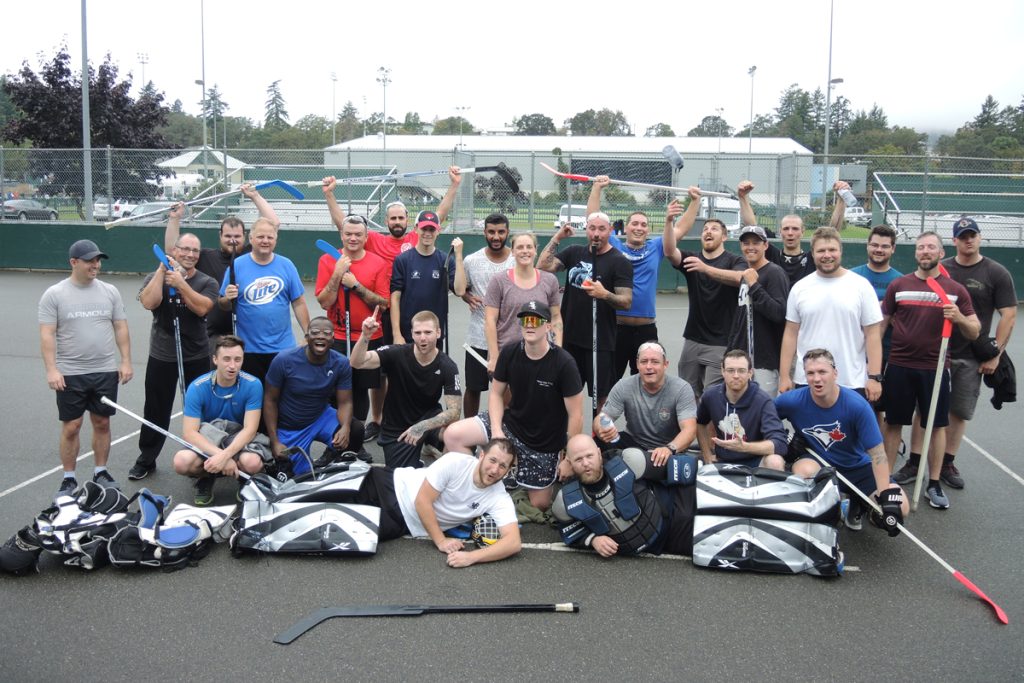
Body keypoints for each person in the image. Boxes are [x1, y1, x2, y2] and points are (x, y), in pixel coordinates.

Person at [323, 169, 463, 441]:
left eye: (401, 217)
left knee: (422, 366)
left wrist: (454, 186)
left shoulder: (416, 239)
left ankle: (418, 419)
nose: (397, 221)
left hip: (418, 317)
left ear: (409, 222)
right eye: (392, 218)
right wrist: (330, 195)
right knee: (383, 369)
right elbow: (345, 227)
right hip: (386, 312)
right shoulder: (375, 240)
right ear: (385, 221)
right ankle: (377, 419)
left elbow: (440, 215)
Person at [444, 301, 584, 511]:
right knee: (453, 435)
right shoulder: (509, 353)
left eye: (536, 320)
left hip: (543, 443)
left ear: (548, 327)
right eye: (525, 320)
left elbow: (576, 416)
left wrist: (569, 458)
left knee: (541, 505)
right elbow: (496, 395)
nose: (529, 325)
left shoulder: (564, 364)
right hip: (511, 425)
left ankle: (511, 471)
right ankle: (482, 479)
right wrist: (498, 430)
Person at [881, 233, 980, 509]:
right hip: (899, 365)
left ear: (940, 252)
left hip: (935, 369)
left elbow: (974, 331)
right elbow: (881, 324)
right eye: (921, 247)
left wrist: (958, 317)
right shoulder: (898, 285)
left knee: (935, 425)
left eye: (931, 247)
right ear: (915, 253)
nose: (925, 252)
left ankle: (934, 484)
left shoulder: (955, 290)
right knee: (893, 422)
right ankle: (887, 480)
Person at [775, 348, 908, 533]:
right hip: (819, 463)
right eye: (810, 373)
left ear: (835, 373)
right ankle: (827, 512)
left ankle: (859, 505)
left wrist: (885, 496)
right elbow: (765, 419)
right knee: (802, 471)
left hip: (857, 467)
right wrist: (783, 440)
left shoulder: (857, 405)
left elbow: (878, 455)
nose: (816, 378)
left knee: (900, 506)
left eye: (822, 372)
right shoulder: (791, 401)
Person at [39, 239, 133, 496]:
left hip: (104, 370)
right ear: (74, 262)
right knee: (72, 426)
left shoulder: (110, 291)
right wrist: (52, 369)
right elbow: (47, 334)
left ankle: (100, 472)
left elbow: (121, 327)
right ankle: (69, 478)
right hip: (70, 372)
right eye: (90, 261)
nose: (96, 265)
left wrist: (125, 361)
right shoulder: (55, 294)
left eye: (98, 260)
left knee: (102, 422)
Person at [334, 438, 521, 568]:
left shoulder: (498, 497)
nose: (495, 469)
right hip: (390, 483)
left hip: (400, 520)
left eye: (503, 466)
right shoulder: (456, 462)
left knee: (335, 529)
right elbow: (422, 500)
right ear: (481, 456)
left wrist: (471, 557)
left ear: (507, 471)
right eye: (492, 460)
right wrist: (440, 540)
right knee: (325, 489)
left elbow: (513, 543)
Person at [932, 216, 1017, 489]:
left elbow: (1009, 315)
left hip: (971, 356)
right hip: (938, 353)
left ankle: (947, 462)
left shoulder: (996, 272)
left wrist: (995, 355)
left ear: (979, 237)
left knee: (958, 413)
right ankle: (918, 459)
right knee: (928, 411)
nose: (968, 240)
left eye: (972, 235)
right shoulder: (941, 270)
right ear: (954, 241)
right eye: (963, 236)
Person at [130, 226, 218, 480]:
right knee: (156, 408)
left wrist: (181, 285)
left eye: (195, 251)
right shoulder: (155, 275)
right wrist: (162, 271)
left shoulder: (206, 281)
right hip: (162, 353)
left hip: (196, 353)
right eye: (185, 249)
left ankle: (201, 456)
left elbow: (202, 309)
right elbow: (149, 302)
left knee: (201, 407)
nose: (190, 254)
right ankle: (147, 458)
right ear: (174, 251)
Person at [538, 211, 634, 414]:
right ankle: (564, 441)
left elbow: (626, 302)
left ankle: (598, 439)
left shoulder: (619, 261)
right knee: (565, 391)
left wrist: (604, 294)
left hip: (600, 342)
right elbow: (543, 266)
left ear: (610, 231)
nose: (596, 234)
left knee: (601, 396)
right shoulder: (574, 252)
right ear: (586, 230)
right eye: (592, 228)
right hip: (570, 339)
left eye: (601, 229)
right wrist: (558, 237)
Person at [164, 184, 275, 352]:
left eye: (237, 236)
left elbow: (273, 224)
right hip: (213, 333)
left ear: (245, 237)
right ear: (220, 236)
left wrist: (254, 196)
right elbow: (172, 250)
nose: (232, 240)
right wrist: (174, 218)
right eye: (228, 236)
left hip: (248, 332)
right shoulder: (206, 256)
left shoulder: (252, 254)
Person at [778, 227, 883, 400]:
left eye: (832, 249)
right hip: (808, 381)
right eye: (821, 250)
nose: (827, 255)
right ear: (812, 253)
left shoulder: (861, 286)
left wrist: (874, 377)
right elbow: (790, 333)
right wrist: (784, 376)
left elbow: (872, 334)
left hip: (852, 381)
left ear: (840, 251)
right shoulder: (799, 288)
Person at [550, 434, 696, 557]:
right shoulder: (566, 500)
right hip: (670, 542)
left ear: (599, 454)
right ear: (569, 463)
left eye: (589, 456)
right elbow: (570, 531)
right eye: (578, 459)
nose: (586, 463)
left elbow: (685, 470)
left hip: (674, 519)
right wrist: (593, 540)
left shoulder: (629, 462)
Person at [351, 309, 462, 468]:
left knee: (458, 436)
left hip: (428, 420)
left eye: (428, 332)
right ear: (411, 333)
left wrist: (421, 427)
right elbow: (357, 362)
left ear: (438, 333)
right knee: (401, 478)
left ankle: (440, 461)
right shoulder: (396, 353)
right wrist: (365, 336)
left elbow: (454, 412)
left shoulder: (448, 366)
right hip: (397, 427)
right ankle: (416, 459)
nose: (422, 338)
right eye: (418, 332)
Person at [662, 189, 743, 398]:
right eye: (705, 229)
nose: (708, 232)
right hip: (693, 340)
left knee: (712, 398)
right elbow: (670, 251)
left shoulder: (734, 261)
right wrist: (669, 221)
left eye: (714, 229)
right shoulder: (692, 259)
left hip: (721, 343)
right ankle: (693, 432)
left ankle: (713, 432)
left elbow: (739, 278)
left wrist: (705, 268)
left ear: (724, 236)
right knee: (687, 395)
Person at [263, 316, 367, 475]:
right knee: (298, 478)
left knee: (355, 430)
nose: (320, 336)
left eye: (326, 333)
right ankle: (298, 466)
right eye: (315, 332)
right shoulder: (284, 360)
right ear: (307, 337)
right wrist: (274, 440)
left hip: (320, 417)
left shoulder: (341, 363)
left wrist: (345, 427)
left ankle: (336, 461)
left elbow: (345, 402)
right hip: (291, 426)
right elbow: (270, 400)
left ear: (333, 338)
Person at [171, 335, 265, 506]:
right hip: (209, 435)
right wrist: (222, 457)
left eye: (238, 359)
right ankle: (206, 478)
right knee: (181, 462)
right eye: (226, 359)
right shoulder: (197, 387)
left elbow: (250, 429)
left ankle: (244, 480)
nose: (232, 365)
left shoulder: (253, 384)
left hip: (238, 435)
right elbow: (190, 433)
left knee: (252, 463)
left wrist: (226, 455)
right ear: (215, 359)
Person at [315, 214, 390, 423]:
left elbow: (383, 304)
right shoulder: (328, 260)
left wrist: (356, 286)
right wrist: (337, 273)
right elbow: (324, 302)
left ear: (366, 237)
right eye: (348, 234)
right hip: (337, 336)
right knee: (333, 389)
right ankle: (335, 439)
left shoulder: (378, 263)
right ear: (341, 235)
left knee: (359, 390)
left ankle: (355, 442)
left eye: (358, 234)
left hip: (367, 336)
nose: (353, 238)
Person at [587, 176, 665, 378]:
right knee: (611, 380)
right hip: (617, 328)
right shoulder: (615, 246)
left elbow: (680, 230)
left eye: (643, 224)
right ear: (626, 227)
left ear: (648, 230)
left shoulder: (656, 247)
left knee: (645, 381)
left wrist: (694, 201)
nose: (639, 227)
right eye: (634, 223)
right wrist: (597, 188)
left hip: (646, 329)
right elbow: (593, 219)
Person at [218, 216, 310, 385]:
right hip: (248, 349)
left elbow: (299, 302)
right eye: (260, 237)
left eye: (270, 237)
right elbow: (222, 304)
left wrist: (307, 334)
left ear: (276, 240)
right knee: (254, 399)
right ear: (251, 239)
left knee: (281, 397)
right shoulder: (237, 265)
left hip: (282, 348)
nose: (265, 241)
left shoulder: (286, 265)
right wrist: (227, 298)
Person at [594, 341, 697, 463]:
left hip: (667, 447)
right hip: (633, 443)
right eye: (644, 361)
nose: (649, 366)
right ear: (637, 364)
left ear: (665, 364)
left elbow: (690, 430)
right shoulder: (623, 385)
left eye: (655, 361)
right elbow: (602, 417)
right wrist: (603, 429)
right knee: (595, 444)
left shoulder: (681, 388)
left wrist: (669, 448)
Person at [459, 213, 514, 417]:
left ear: (507, 232)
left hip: (508, 339)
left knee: (508, 390)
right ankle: (469, 435)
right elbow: (461, 288)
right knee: (473, 388)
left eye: (501, 232)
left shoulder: (517, 260)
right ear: (485, 233)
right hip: (477, 338)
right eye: (491, 232)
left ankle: (508, 434)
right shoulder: (471, 261)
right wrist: (467, 297)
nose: (496, 236)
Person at [483, 232, 562, 375]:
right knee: (505, 398)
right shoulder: (498, 281)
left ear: (535, 250)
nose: (525, 251)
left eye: (529, 247)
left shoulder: (550, 281)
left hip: (541, 356)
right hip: (506, 355)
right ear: (512, 252)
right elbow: (490, 321)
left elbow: (556, 317)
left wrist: (558, 351)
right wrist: (494, 357)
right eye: (520, 247)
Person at [695, 350, 787, 470]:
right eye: (730, 370)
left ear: (750, 373)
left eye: (741, 370)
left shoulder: (763, 401)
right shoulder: (711, 396)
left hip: (754, 460)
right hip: (722, 460)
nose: (736, 375)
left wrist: (744, 447)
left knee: (775, 461)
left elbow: (780, 444)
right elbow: (699, 423)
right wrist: (707, 454)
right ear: (723, 372)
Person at [848, 220, 903, 420]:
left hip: (887, 353)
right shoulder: (851, 277)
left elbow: (902, 321)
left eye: (884, 246)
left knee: (878, 408)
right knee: (853, 405)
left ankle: (875, 449)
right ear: (868, 246)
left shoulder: (900, 281)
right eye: (875, 245)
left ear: (893, 249)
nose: (879, 250)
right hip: (854, 353)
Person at [390, 211, 465, 345]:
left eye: (432, 229)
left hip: (434, 333)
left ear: (438, 231)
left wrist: (458, 257)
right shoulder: (403, 260)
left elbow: (459, 291)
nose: (428, 233)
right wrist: (397, 334)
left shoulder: (446, 261)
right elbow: (395, 298)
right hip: (409, 333)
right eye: (424, 228)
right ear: (416, 229)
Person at [732, 182, 816, 285]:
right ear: (780, 232)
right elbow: (752, 227)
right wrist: (742, 197)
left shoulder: (811, 259)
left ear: (802, 232)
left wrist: (841, 200)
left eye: (795, 229)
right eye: (786, 229)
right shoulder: (773, 255)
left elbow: (831, 234)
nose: (790, 233)